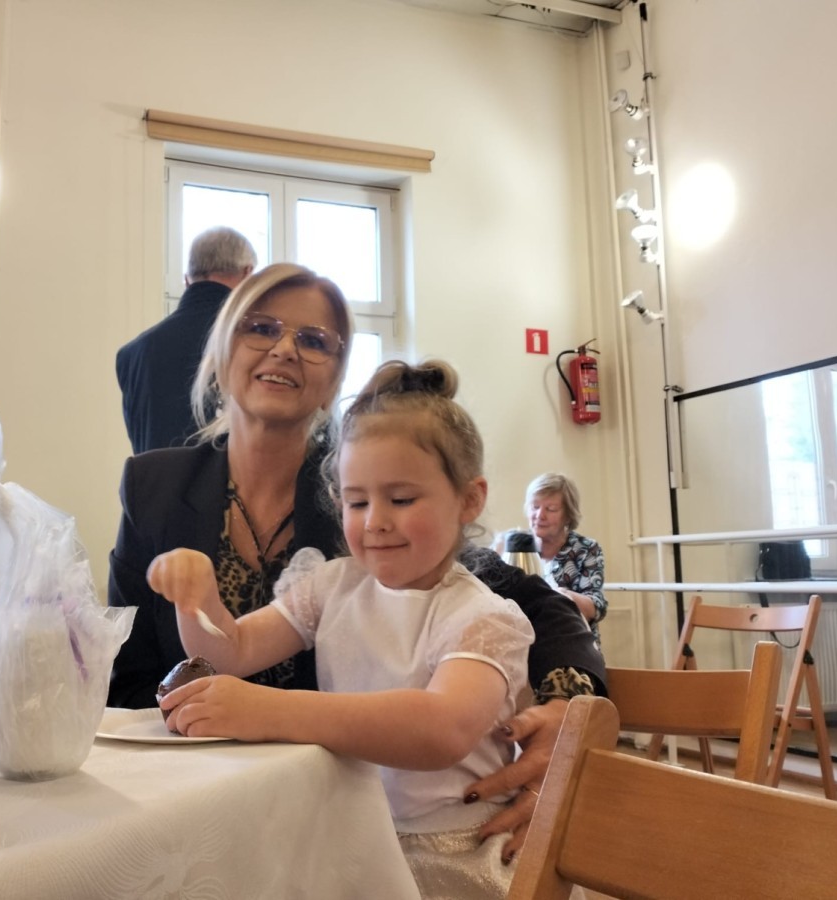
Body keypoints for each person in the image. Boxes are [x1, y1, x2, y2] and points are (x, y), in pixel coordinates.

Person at [106, 263, 604, 863]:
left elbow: (533, 608)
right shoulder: (156, 487)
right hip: (208, 796)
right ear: (222, 349)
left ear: (334, 375)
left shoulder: (379, 477)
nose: (284, 349)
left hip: (377, 823)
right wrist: (197, 602)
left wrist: (568, 708)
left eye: (313, 340)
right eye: (261, 328)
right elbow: (162, 663)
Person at [149, 360, 533, 899]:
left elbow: (441, 729)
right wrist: (197, 599)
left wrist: (270, 711)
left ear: (469, 499)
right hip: (351, 839)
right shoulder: (331, 586)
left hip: (452, 855)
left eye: (401, 499)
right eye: (357, 501)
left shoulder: (483, 618)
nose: (375, 520)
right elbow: (232, 651)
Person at [115, 225, 257, 454]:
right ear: (247, 274)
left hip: (151, 478)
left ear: (187, 279)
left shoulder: (132, 353)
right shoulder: (253, 342)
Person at [522, 472, 607, 646]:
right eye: (535, 507)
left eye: (551, 509)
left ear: (568, 515)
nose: (540, 515)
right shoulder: (516, 547)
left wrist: (561, 597)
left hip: (573, 646)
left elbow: (597, 607)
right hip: (525, 646)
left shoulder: (585, 548)